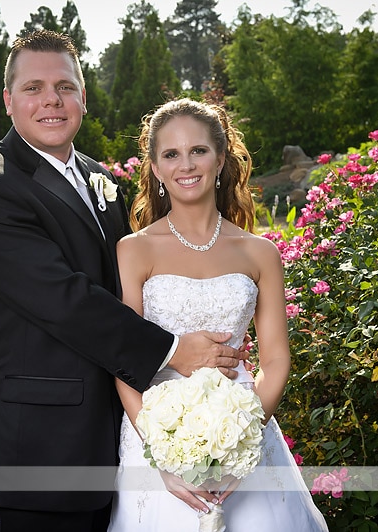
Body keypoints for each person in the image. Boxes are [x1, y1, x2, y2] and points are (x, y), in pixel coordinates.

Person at [0, 31, 247, 532]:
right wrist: (175, 348)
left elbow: (138, 282)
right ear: (8, 100)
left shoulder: (97, 176)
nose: (52, 100)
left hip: (123, 434)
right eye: (34, 87)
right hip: (49, 447)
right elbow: (64, 301)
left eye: (65, 86)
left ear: (83, 97)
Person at [107, 98, 329, 531]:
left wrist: (241, 444)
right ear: (154, 167)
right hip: (154, 438)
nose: (185, 165)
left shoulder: (259, 252)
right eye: (171, 154)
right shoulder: (133, 251)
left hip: (243, 424)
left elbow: (275, 360)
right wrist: (164, 456)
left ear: (221, 158)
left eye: (199, 151)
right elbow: (123, 362)